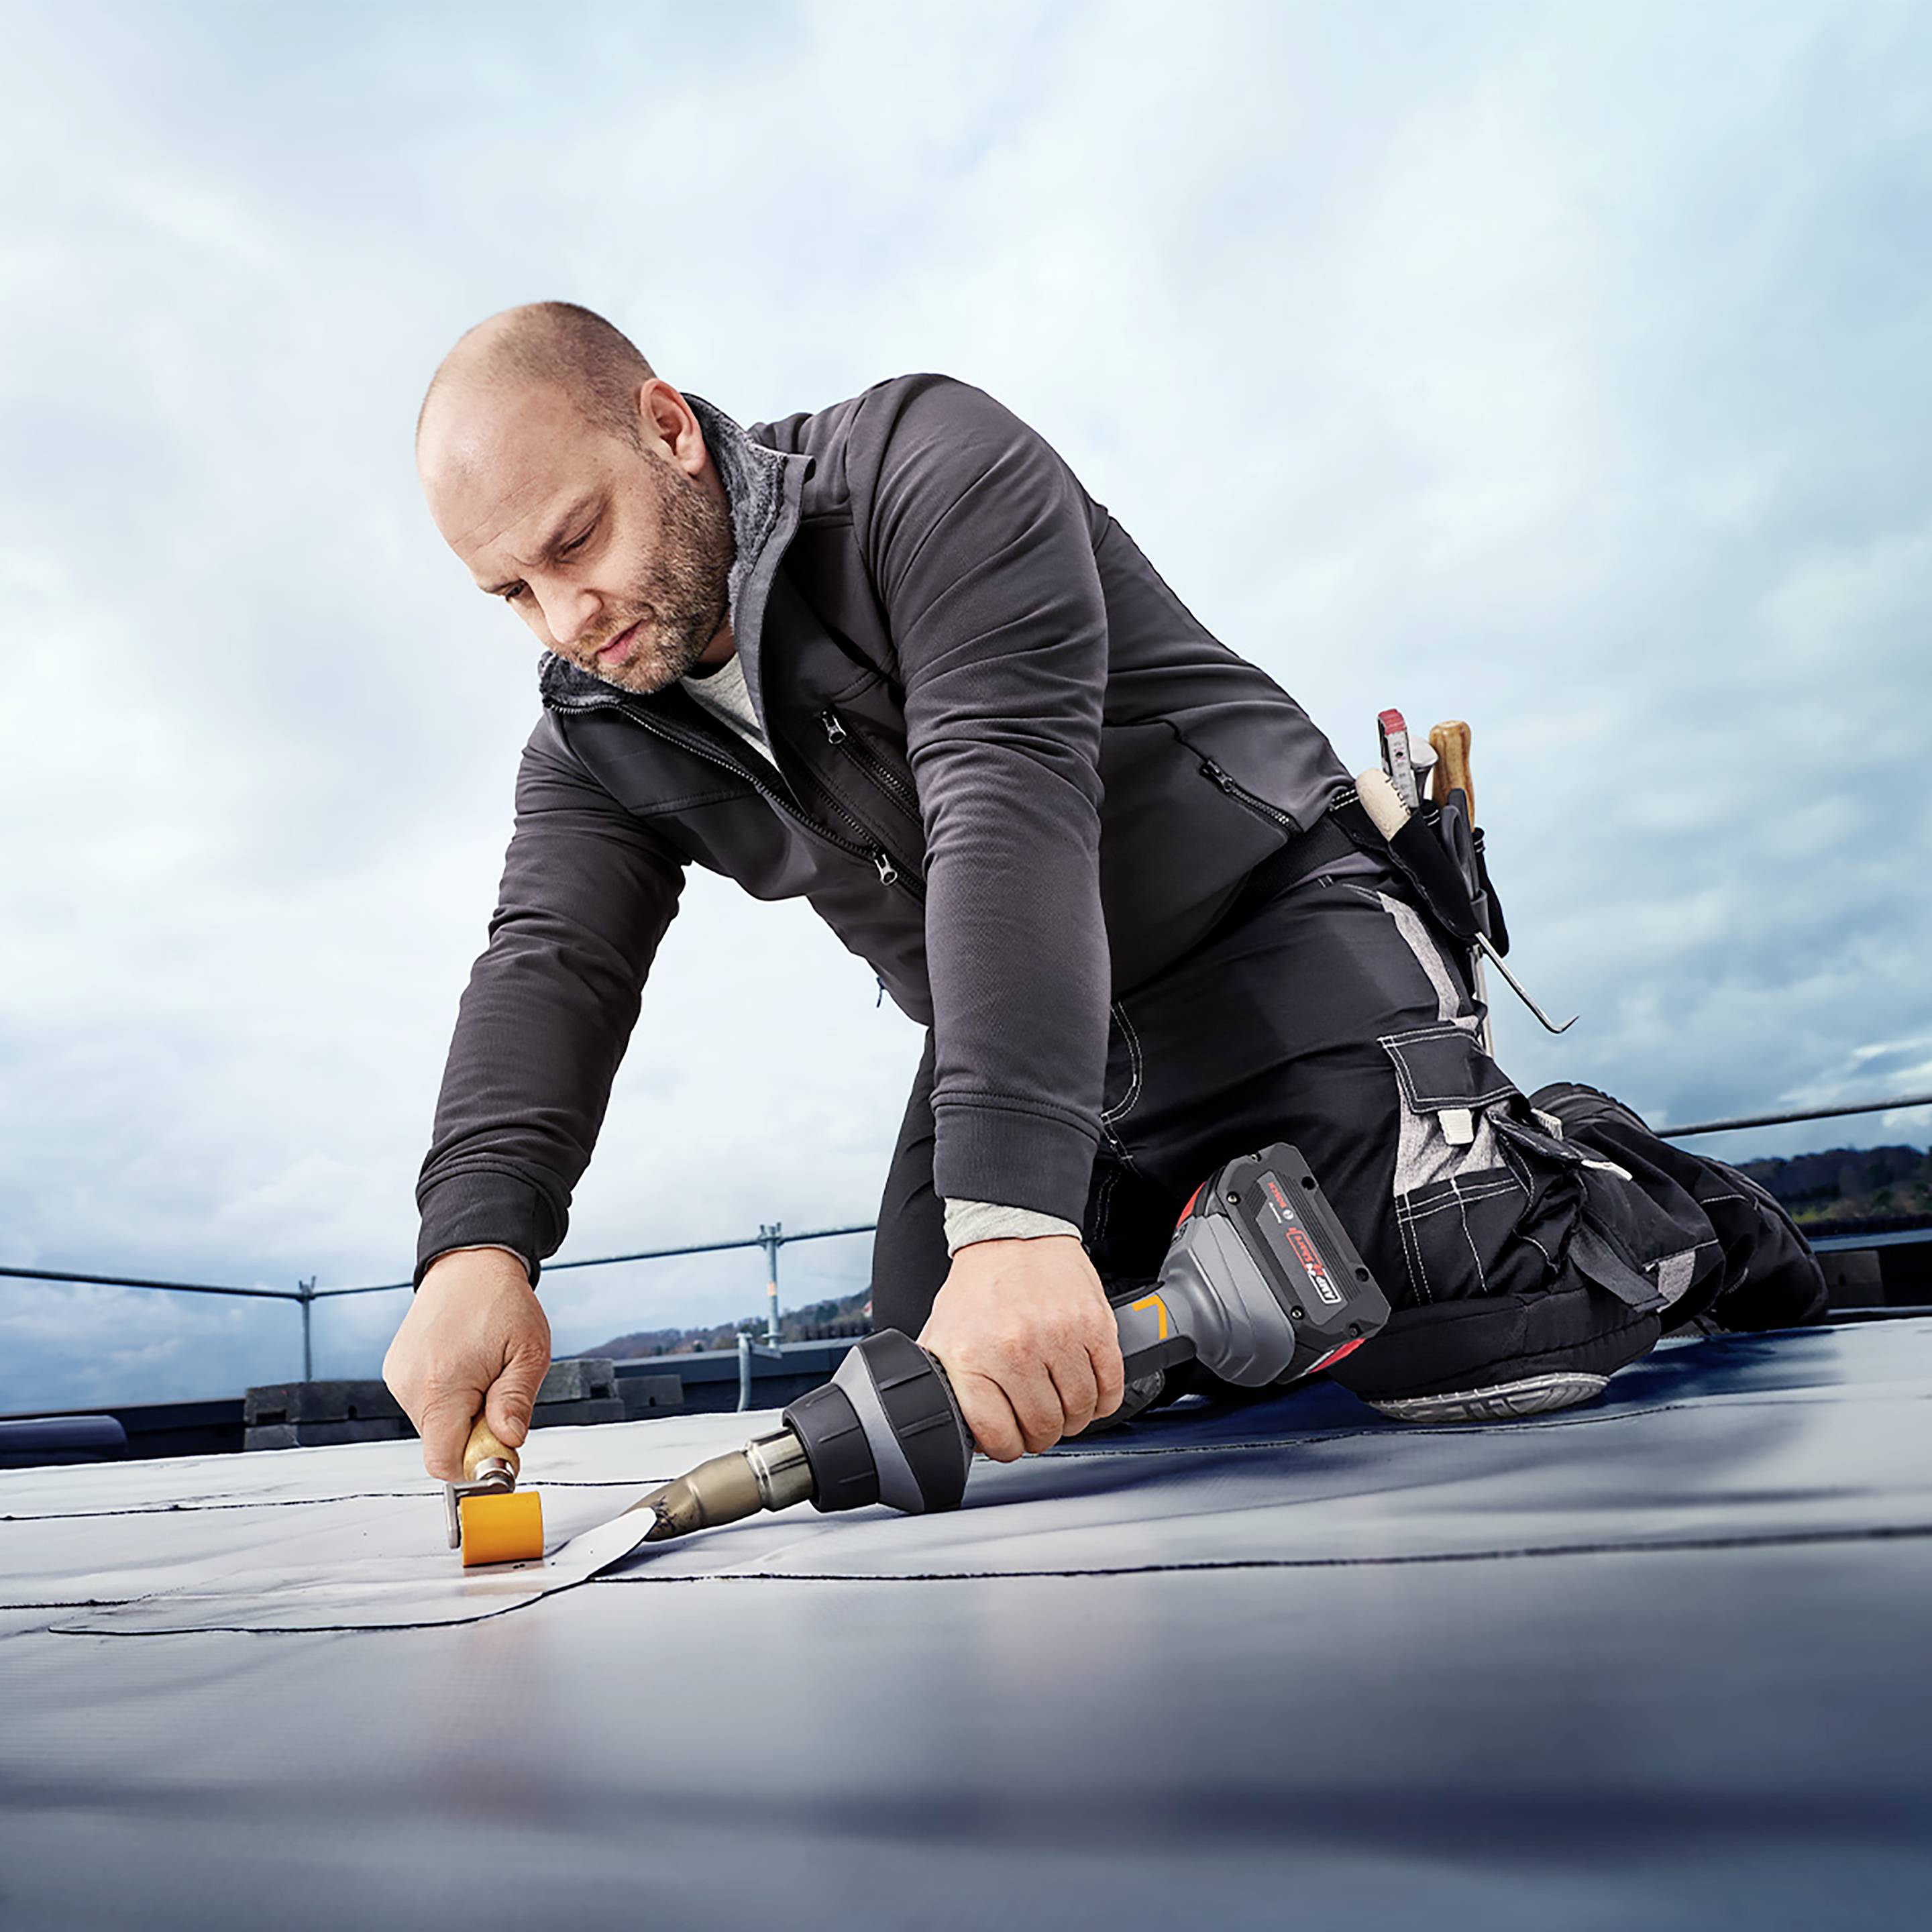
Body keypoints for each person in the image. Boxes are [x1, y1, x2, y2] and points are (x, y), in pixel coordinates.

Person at [384, 301, 1824, 1481]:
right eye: (510, 593)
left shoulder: (926, 470)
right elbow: (551, 959)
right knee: (964, 1387)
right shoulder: (597, 720)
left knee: (1477, 1322)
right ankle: (1213, 1255)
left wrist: (1010, 1224)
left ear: (667, 427)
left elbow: (1006, 791)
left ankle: (1610, 1179)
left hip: (1266, 915)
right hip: (1043, 1028)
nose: (569, 620)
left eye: (576, 542)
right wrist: (474, 1246)